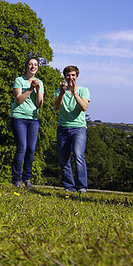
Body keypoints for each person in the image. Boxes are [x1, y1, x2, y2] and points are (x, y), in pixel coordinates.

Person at [54, 65, 90, 193]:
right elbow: (56, 106)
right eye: (68, 75)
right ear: (65, 77)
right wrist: (62, 94)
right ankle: (69, 187)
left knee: (78, 154)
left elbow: (84, 107)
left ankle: (81, 187)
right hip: (63, 128)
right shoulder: (60, 91)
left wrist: (75, 93)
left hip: (78, 128)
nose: (71, 78)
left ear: (77, 76)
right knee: (63, 158)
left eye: (73, 75)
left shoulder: (83, 90)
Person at [10, 57, 43, 189]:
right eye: (30, 64)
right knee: (22, 148)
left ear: (37, 67)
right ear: (26, 67)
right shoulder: (19, 80)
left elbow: (40, 104)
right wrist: (30, 89)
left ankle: (27, 179)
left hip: (33, 119)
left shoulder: (40, 82)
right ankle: (16, 179)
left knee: (31, 149)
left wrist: (38, 90)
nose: (32, 67)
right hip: (19, 117)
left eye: (35, 65)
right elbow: (18, 100)